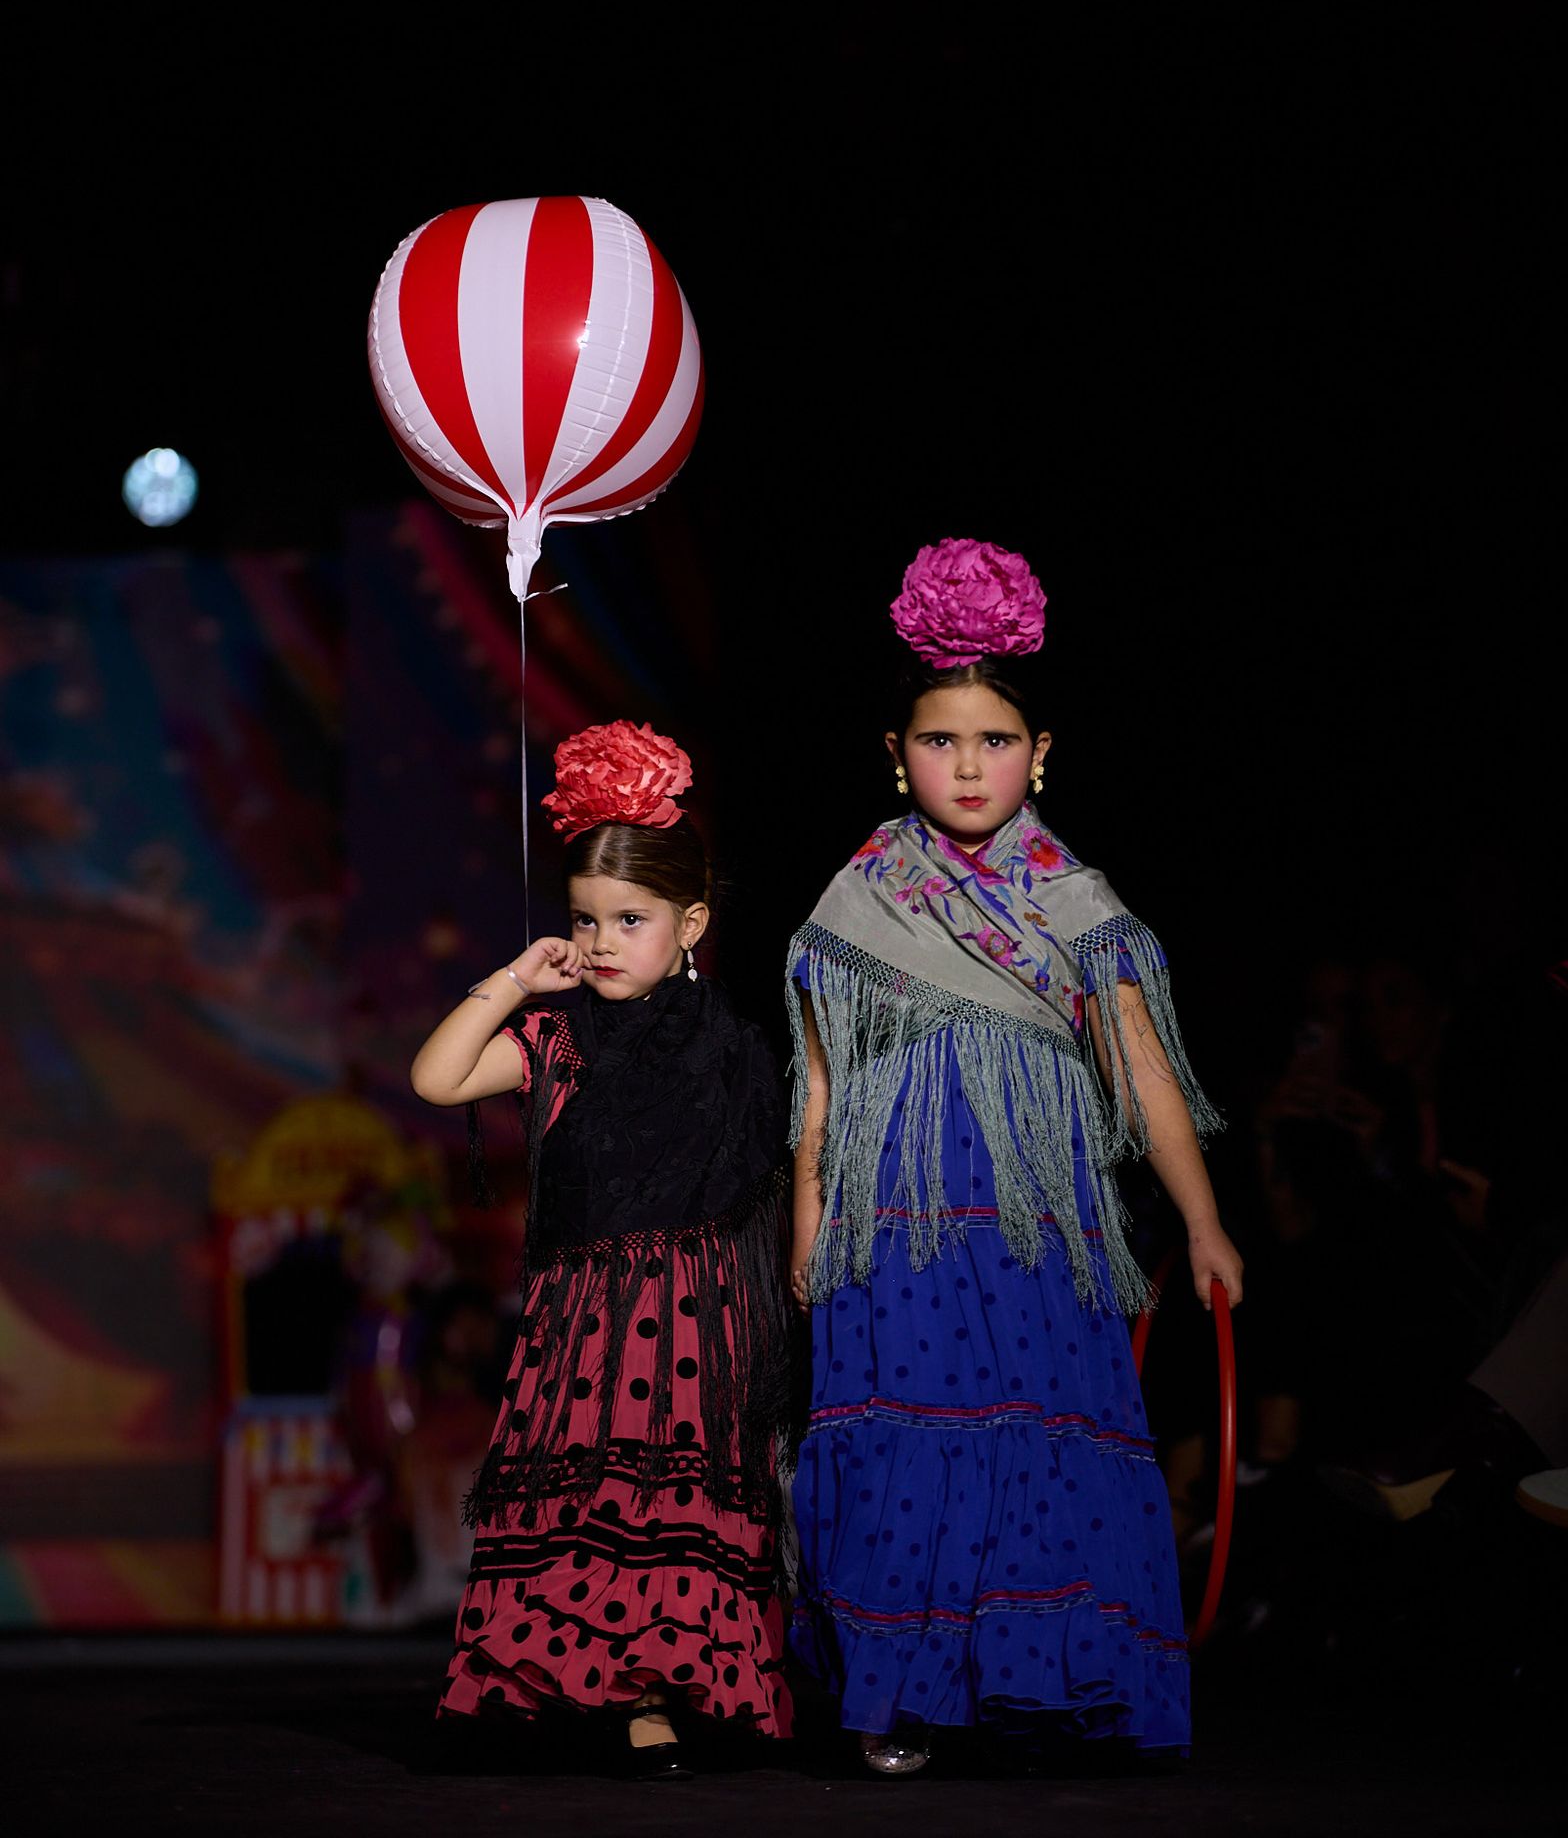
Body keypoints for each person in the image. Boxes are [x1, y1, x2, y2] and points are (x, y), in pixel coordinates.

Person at [784, 539, 1242, 1775]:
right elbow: (819, 1075)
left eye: (995, 740)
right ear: (896, 754)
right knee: (911, 1435)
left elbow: (1144, 1072)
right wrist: (807, 1213)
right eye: (941, 740)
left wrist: (1199, 1221)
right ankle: (898, 1691)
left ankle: (1053, 1682)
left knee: (1042, 1433)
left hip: (1043, 1216)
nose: (969, 764)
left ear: (1040, 754)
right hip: (901, 1217)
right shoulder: (860, 896)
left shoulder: (1075, 902)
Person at [411, 721, 795, 1778]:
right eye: (587, 919)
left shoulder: (740, 1050)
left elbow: (781, 1174)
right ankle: (592, 1691)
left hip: (700, 1315)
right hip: (588, 1325)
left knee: (676, 1502)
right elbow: (437, 1078)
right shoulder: (560, 1035)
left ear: (693, 922)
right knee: (588, 1501)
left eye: (632, 918)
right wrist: (516, 977)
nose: (605, 939)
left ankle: (667, 1693)